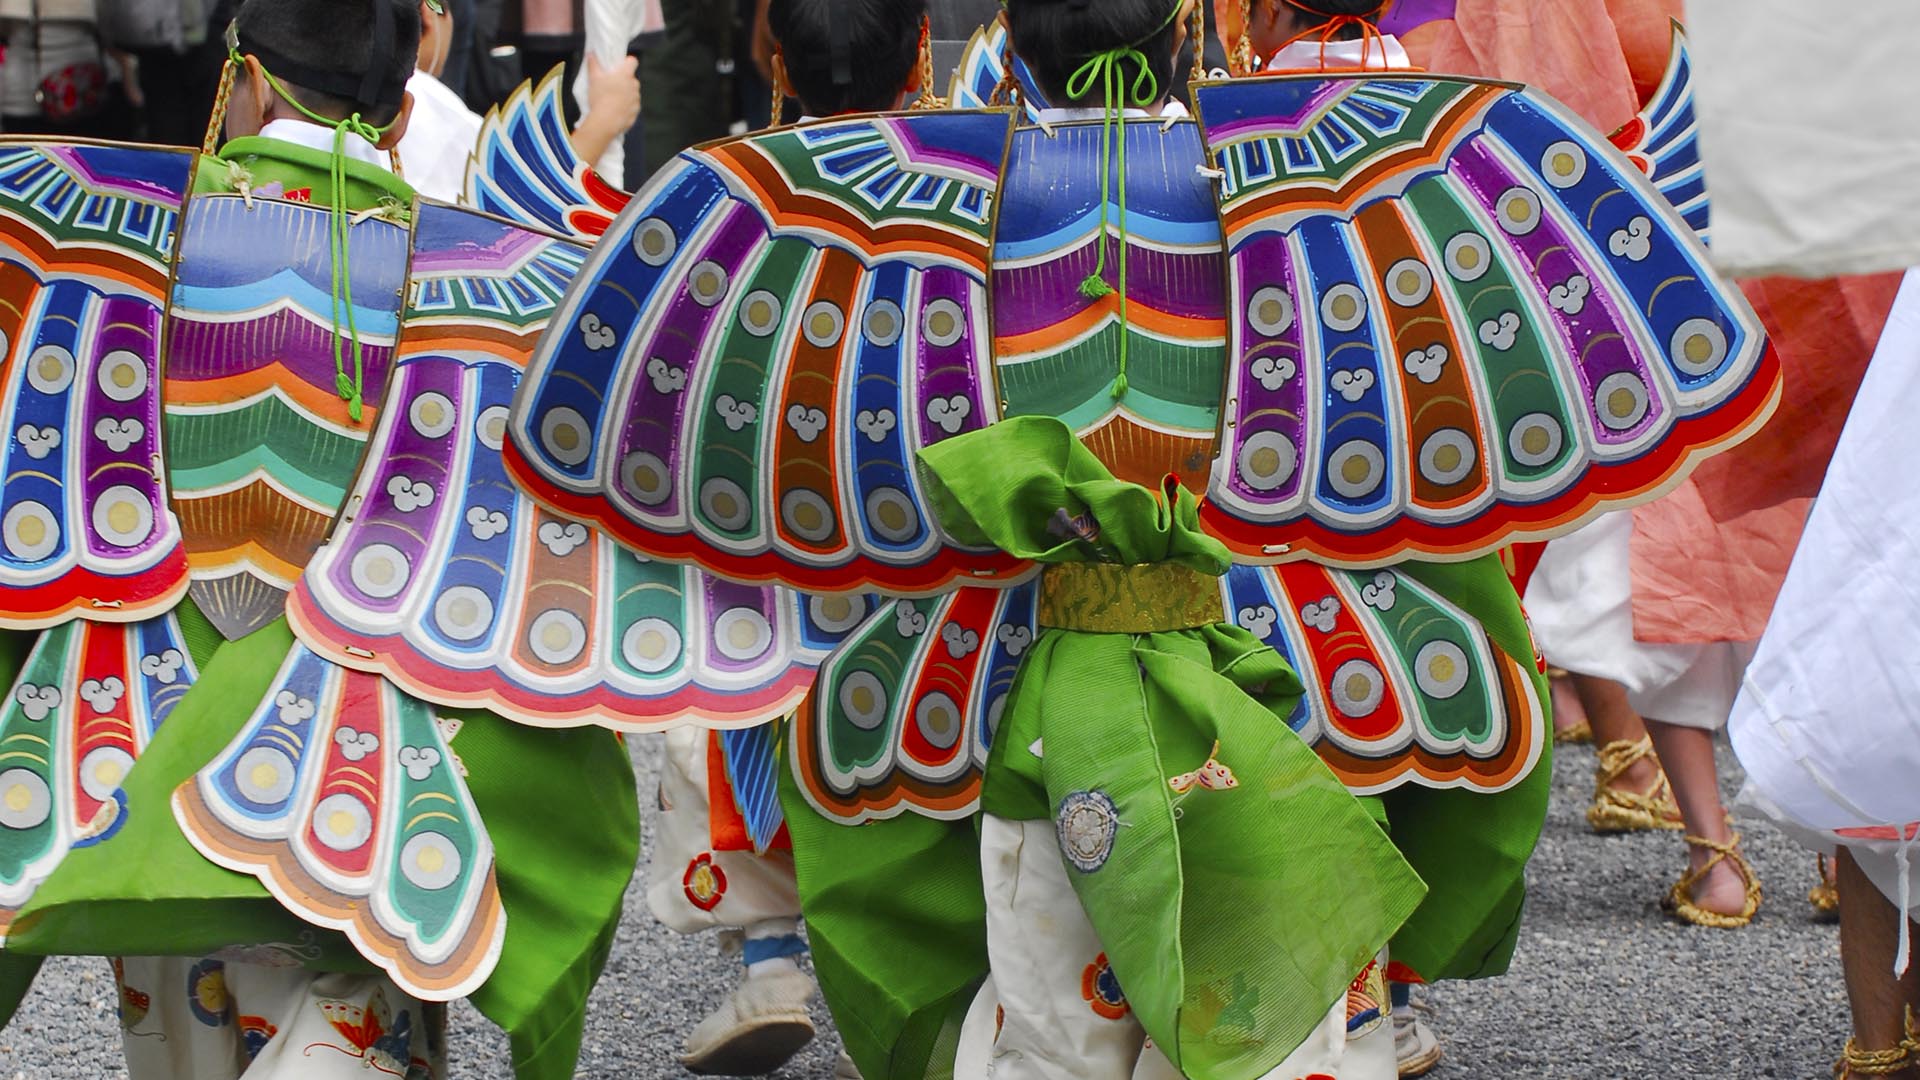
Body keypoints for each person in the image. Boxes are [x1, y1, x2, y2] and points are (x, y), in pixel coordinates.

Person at [0, 1, 642, 1077]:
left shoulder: (116, 236)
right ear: (399, 108)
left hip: (143, 739)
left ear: (241, 77)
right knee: (356, 999)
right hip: (355, 750)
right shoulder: (486, 275)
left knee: (179, 1028)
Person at [401, 0, 640, 202]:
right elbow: (512, 203)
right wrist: (604, 120)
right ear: (427, 13)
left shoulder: (379, 92)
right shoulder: (423, 102)